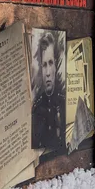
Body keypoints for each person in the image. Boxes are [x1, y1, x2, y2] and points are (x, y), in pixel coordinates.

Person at [30, 30, 66, 158]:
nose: (48, 72)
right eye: (44, 65)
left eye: (50, 63)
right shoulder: (37, 108)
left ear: (56, 64)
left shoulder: (64, 103)